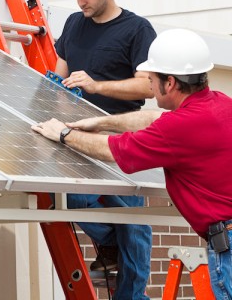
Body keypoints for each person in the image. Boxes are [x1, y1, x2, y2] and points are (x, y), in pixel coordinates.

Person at [33, 28, 232, 298]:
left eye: (151, 79)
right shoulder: (220, 104)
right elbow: (153, 119)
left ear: (170, 83)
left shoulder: (180, 127)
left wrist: (64, 134)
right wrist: (102, 121)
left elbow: (115, 151)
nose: (149, 86)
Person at [54, 0, 156, 299]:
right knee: (74, 201)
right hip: (79, 135)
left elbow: (148, 86)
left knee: (134, 223)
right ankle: (111, 245)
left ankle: (132, 296)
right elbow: (58, 75)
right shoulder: (72, 25)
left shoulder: (138, 29)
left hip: (121, 136)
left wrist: (96, 85)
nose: (81, 1)